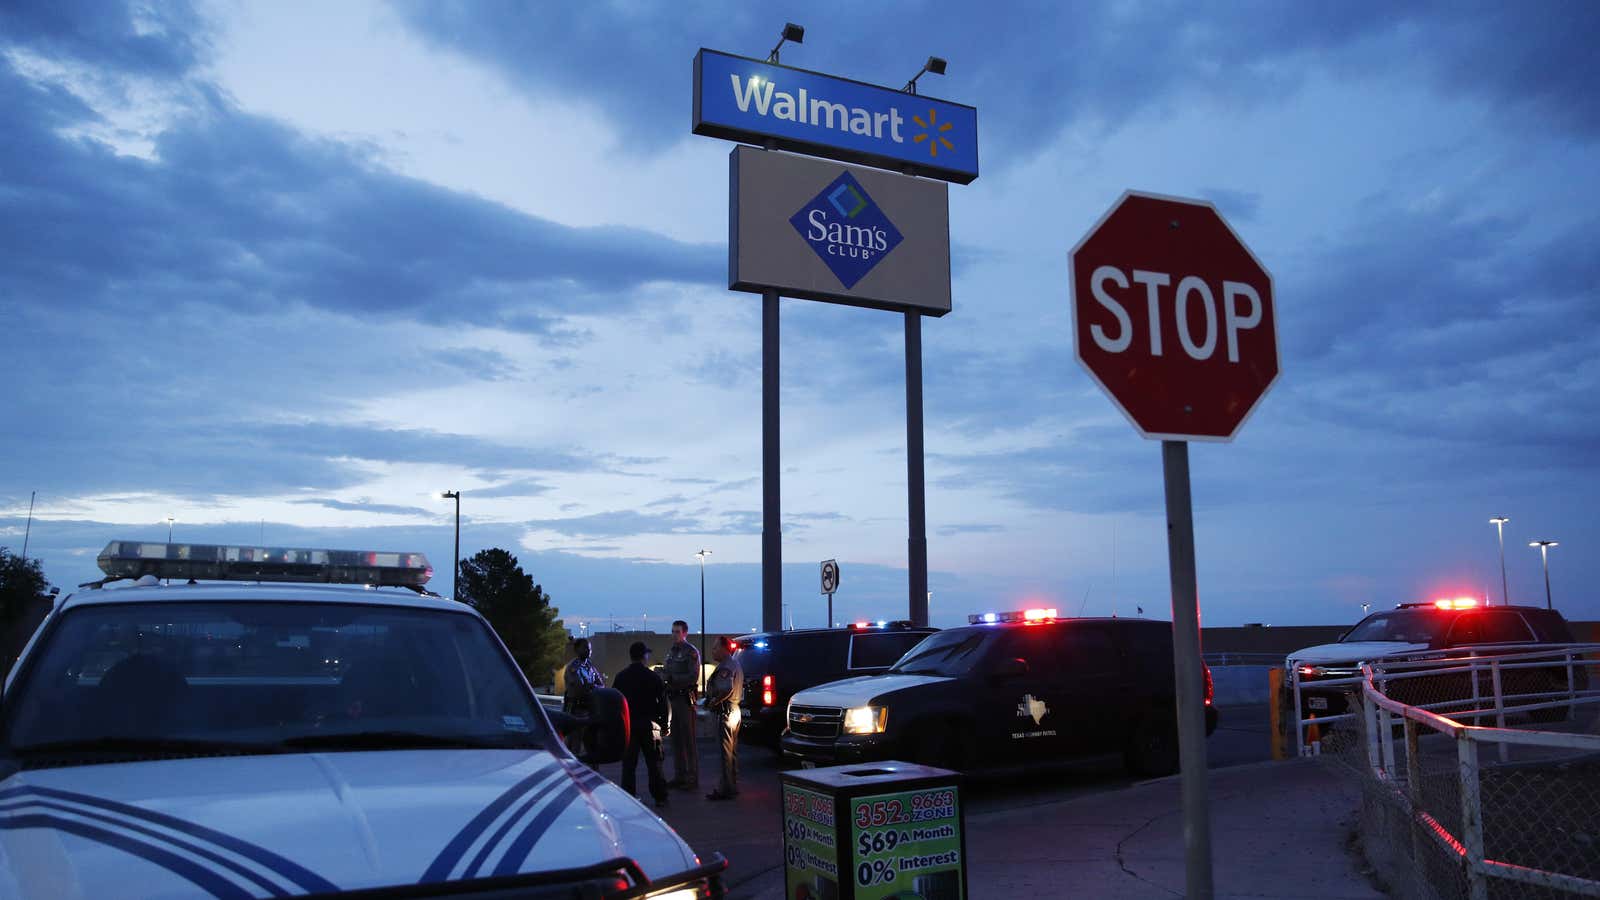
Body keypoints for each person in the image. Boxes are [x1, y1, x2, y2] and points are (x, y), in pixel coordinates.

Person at [612, 641, 670, 807]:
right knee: (654, 762)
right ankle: (660, 796)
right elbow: (663, 702)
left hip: (629, 726)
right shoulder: (653, 677)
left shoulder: (621, 677)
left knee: (629, 764)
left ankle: (629, 796)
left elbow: (616, 702)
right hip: (649, 725)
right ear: (644, 656)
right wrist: (664, 724)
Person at [703, 636, 743, 801]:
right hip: (734, 710)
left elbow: (725, 688)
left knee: (725, 752)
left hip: (726, 712)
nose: (713, 651)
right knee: (731, 752)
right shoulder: (735, 664)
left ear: (724, 649)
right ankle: (732, 785)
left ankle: (725, 788)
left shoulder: (726, 666)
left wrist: (713, 701)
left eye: (715, 648)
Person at [662, 620, 701, 790]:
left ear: (685, 633)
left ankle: (692, 778)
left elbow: (693, 676)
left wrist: (672, 679)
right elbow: (668, 671)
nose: (674, 634)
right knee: (676, 739)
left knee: (688, 740)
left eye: (677, 632)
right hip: (673, 698)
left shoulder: (690, 652)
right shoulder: (671, 652)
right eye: (673, 631)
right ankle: (680, 775)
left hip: (685, 699)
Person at [562, 638, 605, 757]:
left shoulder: (590, 667)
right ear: (577, 650)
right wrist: (592, 686)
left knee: (592, 745)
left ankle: (593, 770)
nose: (589, 650)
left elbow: (601, 684)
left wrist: (591, 686)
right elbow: (579, 687)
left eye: (590, 648)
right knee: (574, 746)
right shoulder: (573, 667)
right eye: (585, 648)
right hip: (576, 711)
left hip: (589, 710)